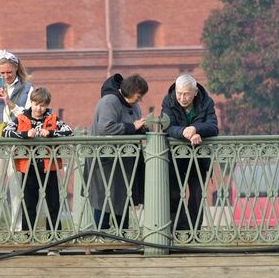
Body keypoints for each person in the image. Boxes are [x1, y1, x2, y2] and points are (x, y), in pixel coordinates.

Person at [3, 86, 74, 232]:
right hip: (28, 167)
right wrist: (25, 134)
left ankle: (54, 240)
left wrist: (51, 133)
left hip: (49, 167)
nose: (39, 108)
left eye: (42, 105)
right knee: (29, 205)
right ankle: (28, 238)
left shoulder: (53, 118)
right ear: (31, 102)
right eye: (36, 104)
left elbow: (69, 132)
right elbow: (6, 132)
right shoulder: (22, 117)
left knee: (53, 204)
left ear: (47, 105)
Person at [0, 50, 34, 232]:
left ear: (16, 69)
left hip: (18, 144)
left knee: (17, 188)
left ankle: (18, 230)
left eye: (9, 72)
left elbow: (30, 118)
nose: (6, 76)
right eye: (2, 73)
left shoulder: (27, 88)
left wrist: (10, 103)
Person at [87, 73, 148, 229]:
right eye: (139, 95)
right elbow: (105, 127)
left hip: (124, 159)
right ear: (130, 91)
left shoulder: (133, 105)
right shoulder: (110, 101)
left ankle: (123, 235)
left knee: (122, 198)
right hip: (105, 158)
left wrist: (142, 129)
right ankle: (103, 237)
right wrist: (132, 127)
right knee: (104, 200)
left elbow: (132, 125)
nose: (140, 99)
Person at [161, 73, 219, 232]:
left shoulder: (206, 102)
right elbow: (167, 126)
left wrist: (197, 129)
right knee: (174, 195)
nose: (182, 98)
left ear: (195, 92)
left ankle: (193, 231)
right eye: (179, 93)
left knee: (197, 196)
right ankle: (177, 231)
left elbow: (213, 127)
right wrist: (184, 132)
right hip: (175, 158)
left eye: (186, 94)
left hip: (199, 158)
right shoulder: (169, 100)